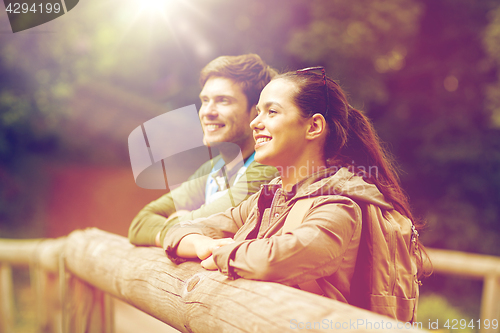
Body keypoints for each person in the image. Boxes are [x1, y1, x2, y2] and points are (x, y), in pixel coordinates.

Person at [161, 67, 426, 322]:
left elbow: (277, 259)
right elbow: (178, 231)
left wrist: (223, 253)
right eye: (257, 112)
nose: (255, 122)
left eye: (271, 112)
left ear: (313, 127)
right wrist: (202, 244)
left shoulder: (339, 205)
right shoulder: (268, 199)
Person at [128, 54, 279, 247]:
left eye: (223, 100)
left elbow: (198, 225)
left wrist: (176, 226)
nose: (207, 111)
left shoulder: (269, 166)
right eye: (205, 100)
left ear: (257, 111)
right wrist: (181, 233)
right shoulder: (212, 170)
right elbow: (140, 223)